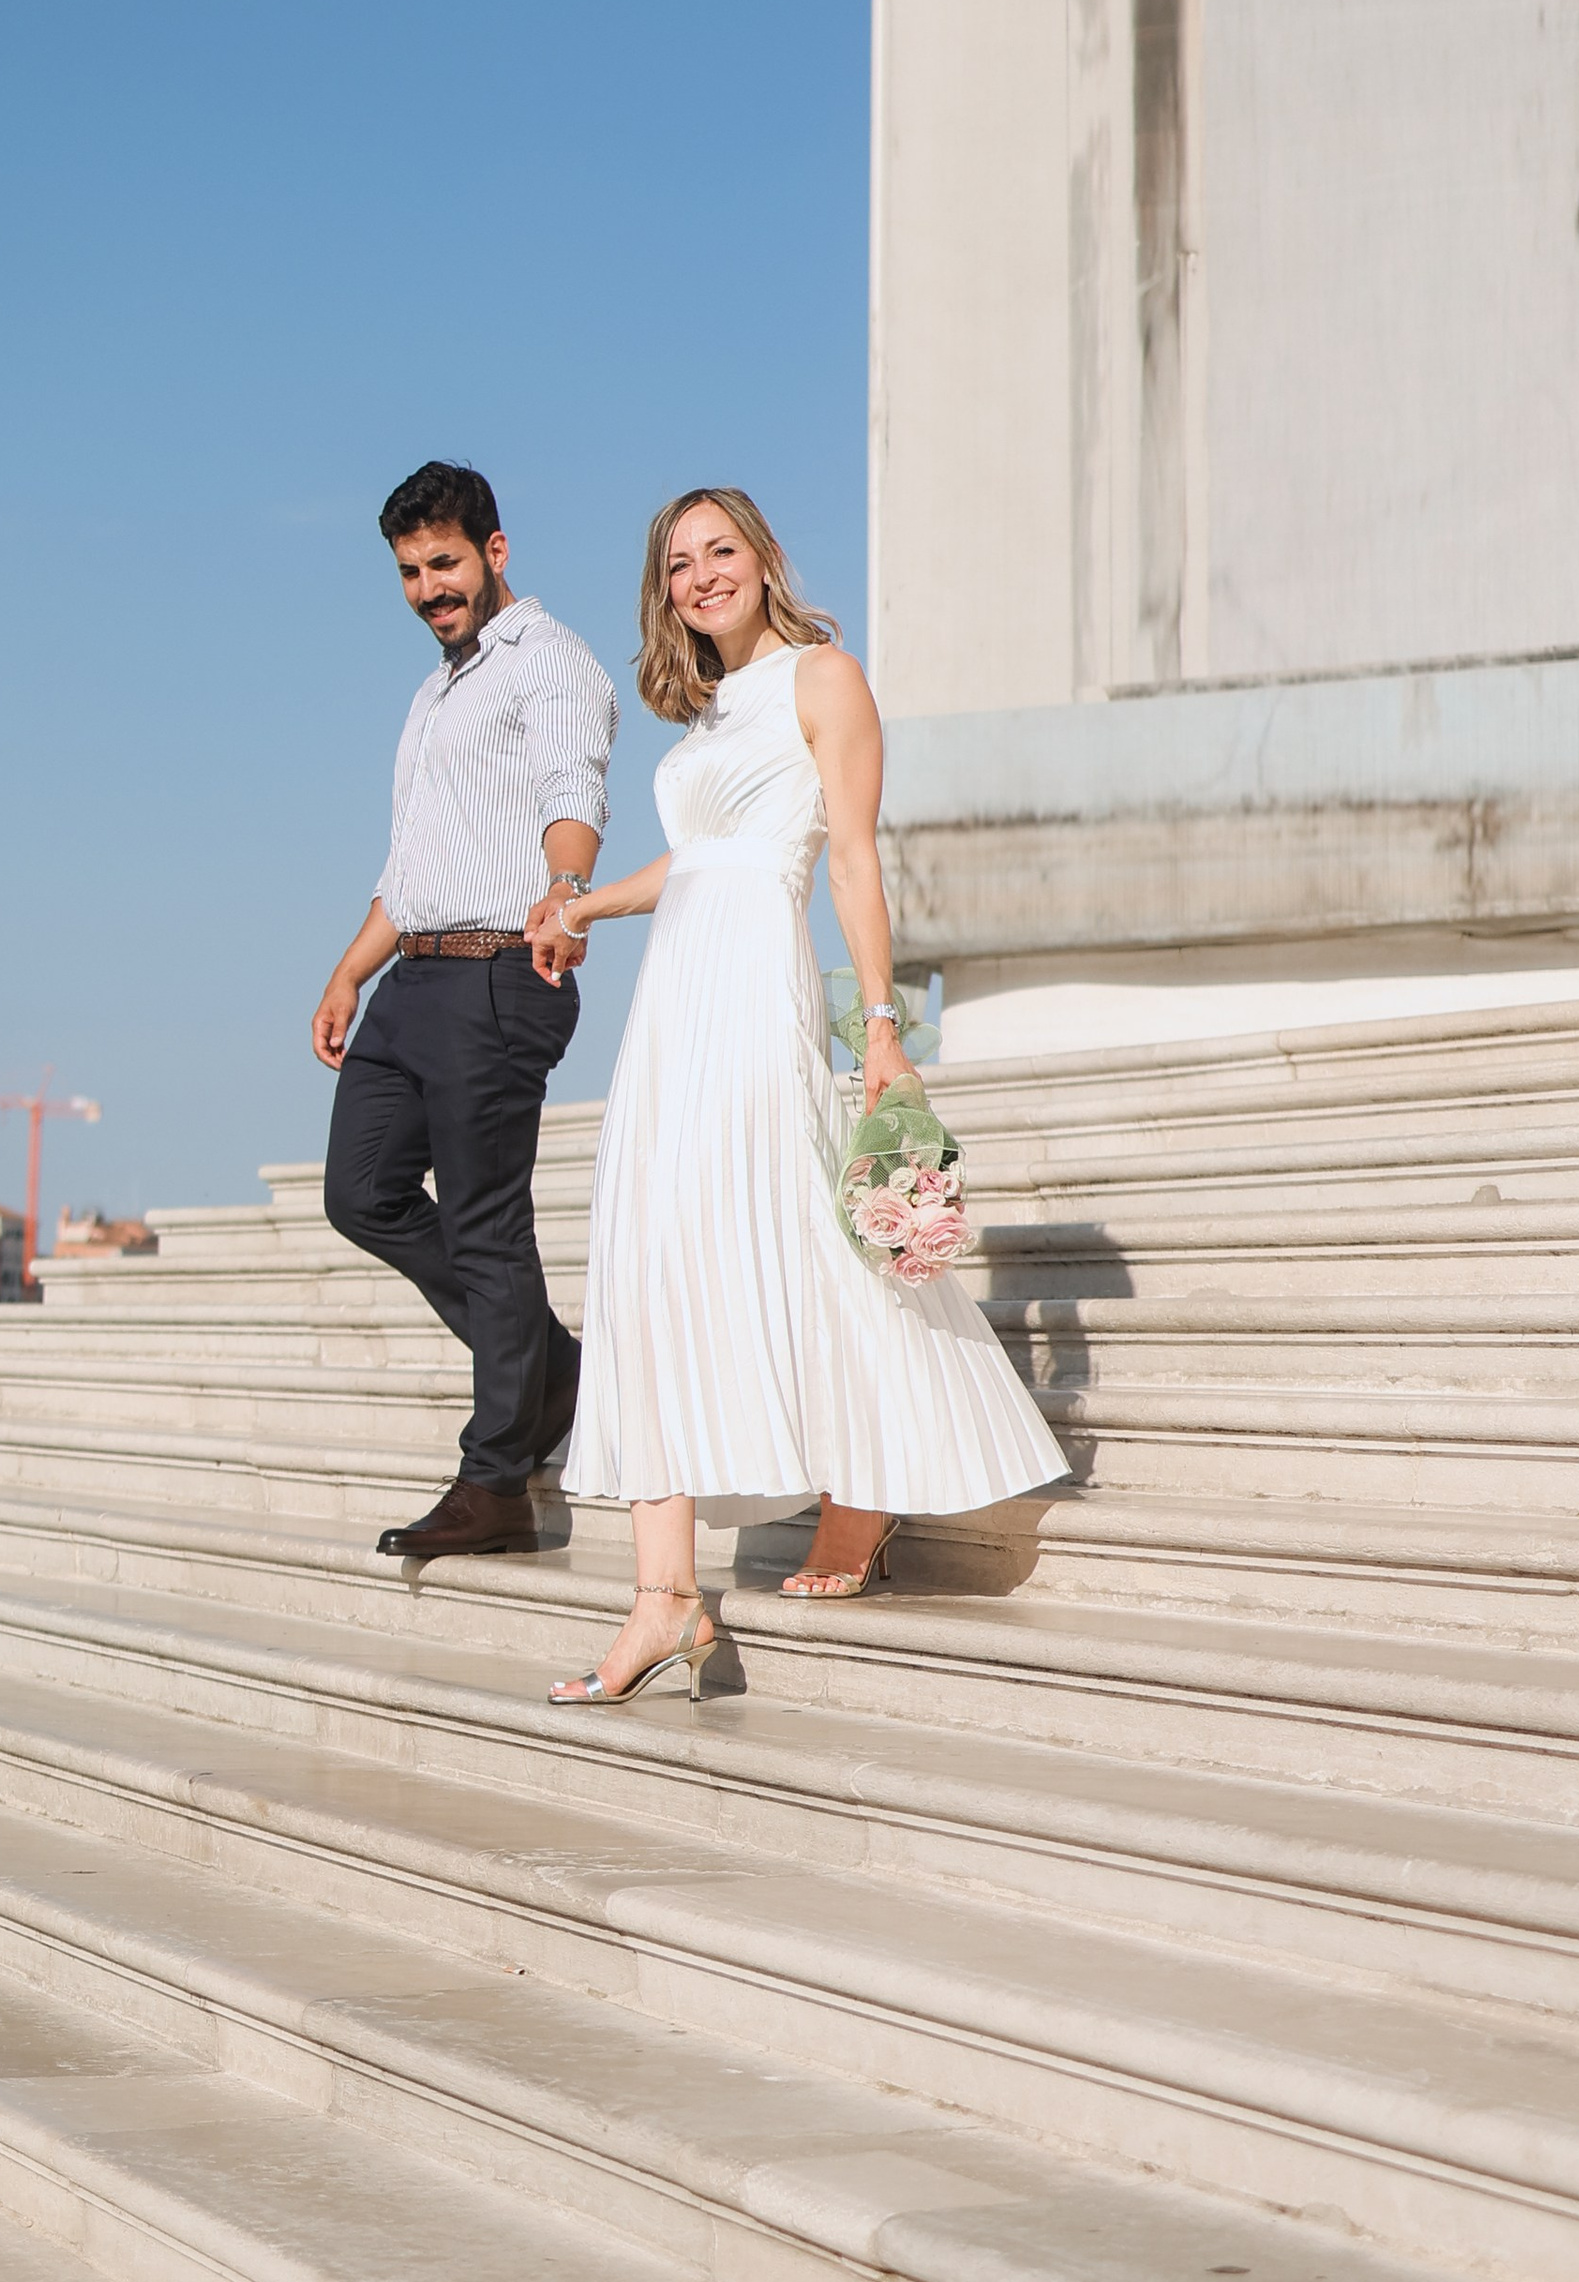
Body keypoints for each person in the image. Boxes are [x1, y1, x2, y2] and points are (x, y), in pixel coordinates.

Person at [531, 486, 1066, 1706]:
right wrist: (586, 908)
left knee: (787, 1240)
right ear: (663, 593)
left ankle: (867, 1484)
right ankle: (664, 1598)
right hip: (670, 1006)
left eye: (722, 551)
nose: (702, 575)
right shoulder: (711, 710)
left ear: (766, 560)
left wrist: (879, 1026)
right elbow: (700, 858)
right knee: (650, 1266)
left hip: (755, 996)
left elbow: (850, 852)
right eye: (679, 564)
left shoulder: (824, 678)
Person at [316, 460, 619, 1561]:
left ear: (494, 552)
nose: (428, 587)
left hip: (501, 969)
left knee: (488, 1226)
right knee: (360, 1195)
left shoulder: (549, 661)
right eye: (408, 571)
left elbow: (569, 792)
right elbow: (412, 867)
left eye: (444, 563)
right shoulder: (435, 691)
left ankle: (498, 1481)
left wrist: (565, 890)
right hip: (412, 979)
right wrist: (351, 971)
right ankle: (551, 1369)